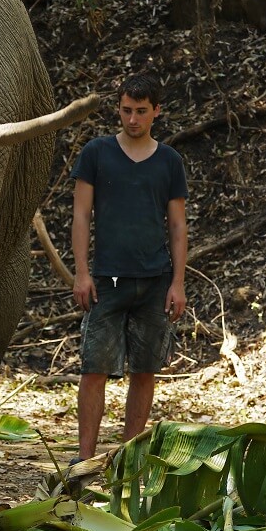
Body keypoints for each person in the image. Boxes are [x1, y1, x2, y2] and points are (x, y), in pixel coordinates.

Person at [70, 73, 188, 461]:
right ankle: (85, 460)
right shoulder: (97, 153)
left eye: (141, 111)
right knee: (94, 369)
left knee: (144, 369)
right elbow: (82, 216)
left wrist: (178, 282)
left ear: (156, 111)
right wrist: (82, 273)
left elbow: (176, 225)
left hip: (154, 280)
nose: (132, 119)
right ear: (117, 109)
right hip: (107, 279)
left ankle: (128, 456)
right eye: (125, 110)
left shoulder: (169, 162)